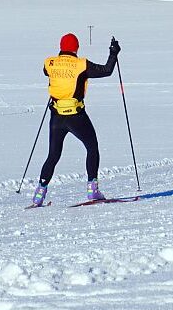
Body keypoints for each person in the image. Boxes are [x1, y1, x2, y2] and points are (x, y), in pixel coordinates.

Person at [31, 33, 121, 206]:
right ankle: (92, 190)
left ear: (61, 47)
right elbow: (106, 71)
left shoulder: (49, 62)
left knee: (53, 155)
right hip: (76, 116)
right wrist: (113, 53)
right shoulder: (81, 64)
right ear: (76, 48)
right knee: (92, 147)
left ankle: (39, 194)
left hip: (57, 117)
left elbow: (46, 72)